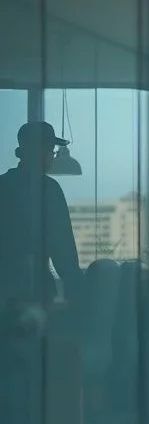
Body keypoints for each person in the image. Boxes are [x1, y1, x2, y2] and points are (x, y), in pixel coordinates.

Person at [0, 121, 82, 307]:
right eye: (51, 151)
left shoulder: (2, 185)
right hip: (35, 290)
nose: (52, 157)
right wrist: (77, 288)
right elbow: (63, 248)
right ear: (40, 152)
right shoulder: (48, 189)